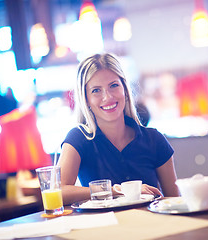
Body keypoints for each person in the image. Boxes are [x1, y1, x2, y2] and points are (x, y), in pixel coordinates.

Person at [58, 53, 180, 204]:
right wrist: (116, 190)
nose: (107, 97)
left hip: (152, 225)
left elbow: (175, 202)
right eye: (96, 90)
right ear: (86, 99)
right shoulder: (79, 138)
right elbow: (58, 192)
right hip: (104, 226)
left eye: (113, 85)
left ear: (125, 90)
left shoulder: (155, 140)